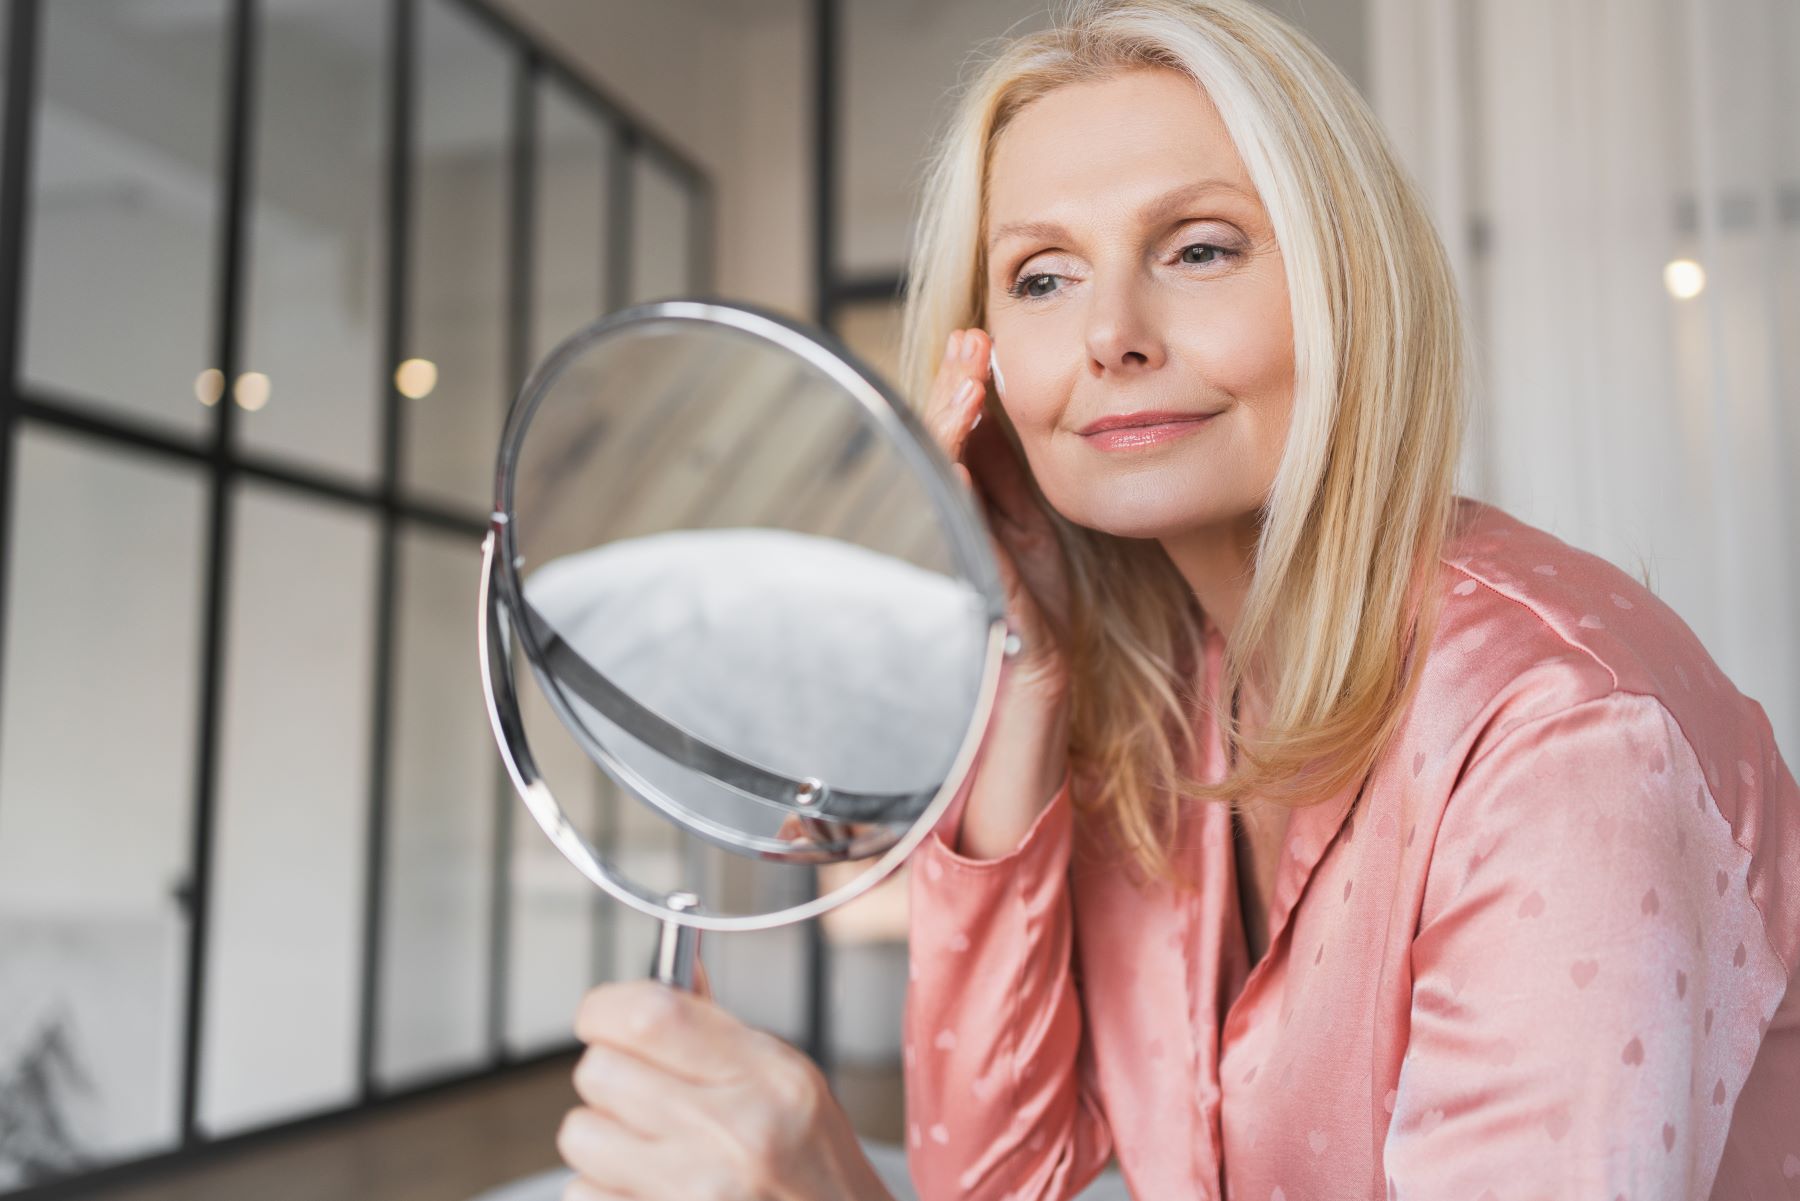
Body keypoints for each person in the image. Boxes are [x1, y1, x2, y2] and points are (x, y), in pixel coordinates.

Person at [552, 1, 1800, 1198]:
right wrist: (1025, 675)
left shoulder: (1563, 744)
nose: (1112, 333)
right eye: (1042, 277)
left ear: (1348, 288)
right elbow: (997, 1180)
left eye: (1199, 249)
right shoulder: (1157, 698)